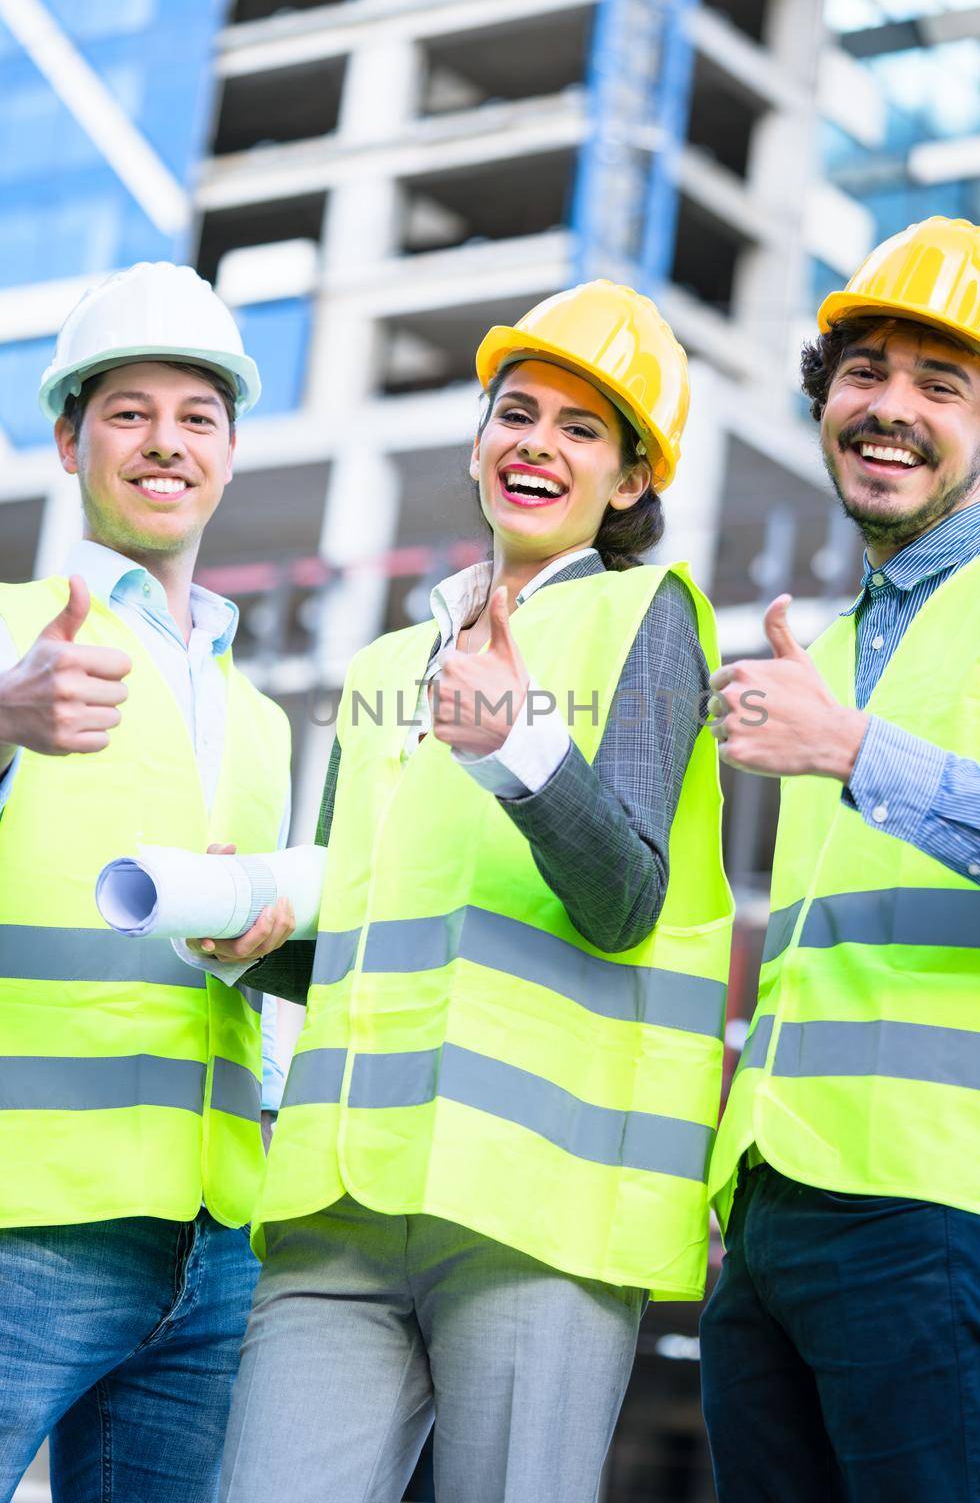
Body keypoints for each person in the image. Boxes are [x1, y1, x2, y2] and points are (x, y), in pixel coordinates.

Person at [211, 279, 734, 1503]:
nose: (535, 444)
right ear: (477, 437)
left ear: (630, 482)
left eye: (579, 428)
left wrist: (521, 745)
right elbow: (352, 933)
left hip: (534, 1220)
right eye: (516, 412)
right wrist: (250, 937)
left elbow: (625, 902)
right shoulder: (391, 663)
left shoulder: (643, 620)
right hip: (339, 1204)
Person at [702, 216, 980, 1503]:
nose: (888, 408)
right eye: (864, 374)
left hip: (927, 1204)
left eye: (937, 384)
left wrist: (857, 751)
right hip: (768, 1205)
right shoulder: (838, 637)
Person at [0, 262, 294, 1503]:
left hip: (210, 1250)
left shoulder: (261, 716)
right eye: (128, 413)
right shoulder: (12, 626)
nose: (164, 443)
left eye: (196, 416)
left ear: (230, 450)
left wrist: (273, 936)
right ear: (69, 439)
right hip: (24, 1226)